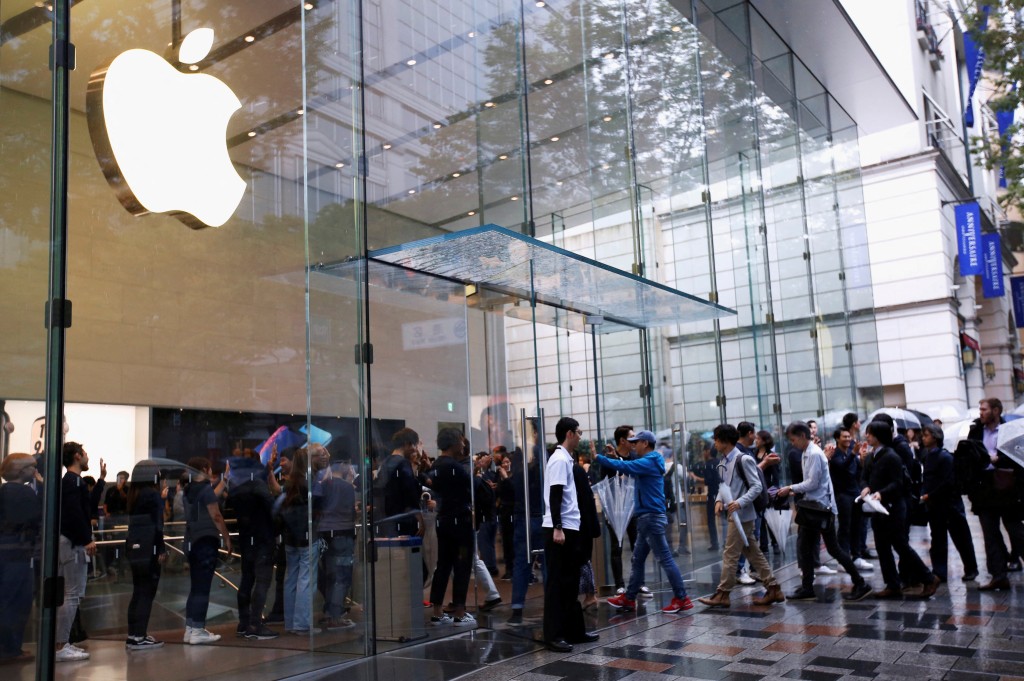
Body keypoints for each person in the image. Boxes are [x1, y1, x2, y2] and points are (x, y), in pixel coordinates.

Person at [599, 430, 694, 614]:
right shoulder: (649, 461)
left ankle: (681, 598)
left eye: (636, 442)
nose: (633, 445)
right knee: (637, 559)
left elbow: (628, 467)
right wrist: (614, 457)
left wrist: (600, 458)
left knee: (665, 558)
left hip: (650, 517)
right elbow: (629, 465)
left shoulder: (649, 460)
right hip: (647, 517)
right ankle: (629, 598)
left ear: (645, 443)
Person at [777, 422, 871, 602]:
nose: (792, 443)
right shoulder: (807, 452)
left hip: (820, 508)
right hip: (815, 506)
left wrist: (790, 487)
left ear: (803, 436)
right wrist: (792, 489)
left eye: (793, 439)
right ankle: (808, 587)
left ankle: (859, 583)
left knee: (831, 548)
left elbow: (812, 483)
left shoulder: (813, 453)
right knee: (807, 547)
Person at [697, 425, 784, 608]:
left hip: (743, 515)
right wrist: (719, 501)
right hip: (735, 514)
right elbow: (724, 485)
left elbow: (757, 487)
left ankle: (723, 593)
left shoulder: (743, 459)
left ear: (723, 441)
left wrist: (740, 502)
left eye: (716, 439)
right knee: (752, 550)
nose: (714, 443)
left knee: (730, 553)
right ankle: (773, 587)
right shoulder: (725, 460)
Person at [859, 421, 939, 599]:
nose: (867, 436)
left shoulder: (891, 456)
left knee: (900, 545)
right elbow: (864, 478)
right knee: (882, 547)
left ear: (879, 435)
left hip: (894, 508)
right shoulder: (872, 456)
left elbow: (898, 483)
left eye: (870, 433)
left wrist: (881, 493)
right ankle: (892, 584)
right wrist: (865, 488)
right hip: (877, 508)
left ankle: (928, 578)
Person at [542, 417, 597, 653]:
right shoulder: (557, 460)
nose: (580, 436)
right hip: (560, 529)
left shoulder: (566, 459)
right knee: (557, 584)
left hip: (570, 527)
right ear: (569, 434)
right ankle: (554, 635)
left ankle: (574, 630)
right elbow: (555, 495)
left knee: (570, 583)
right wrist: (557, 526)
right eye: (579, 432)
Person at [965, 398, 1024, 591]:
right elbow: (969, 455)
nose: (980, 412)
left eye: (984, 409)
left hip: (1007, 486)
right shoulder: (975, 431)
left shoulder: (1010, 430)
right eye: (980, 409)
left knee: (1016, 532)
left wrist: (999, 459)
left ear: (996, 411)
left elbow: (1018, 457)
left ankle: (1013, 562)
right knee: (990, 535)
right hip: (984, 488)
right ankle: (998, 576)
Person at [228, 447, 282, 639]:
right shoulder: (257, 485)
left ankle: (244, 623)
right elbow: (272, 508)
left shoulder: (236, 486)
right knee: (262, 581)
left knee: (246, 579)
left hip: (245, 537)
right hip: (262, 537)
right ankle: (255, 624)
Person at [55, 442, 102, 662]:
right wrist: (86, 540)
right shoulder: (72, 482)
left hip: (70, 542)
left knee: (69, 594)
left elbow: (85, 507)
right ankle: (61, 644)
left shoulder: (73, 482)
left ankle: (62, 642)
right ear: (76, 456)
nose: (87, 457)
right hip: (73, 544)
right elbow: (75, 513)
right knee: (72, 594)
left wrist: (101, 480)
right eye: (84, 453)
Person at [427, 428, 476, 626]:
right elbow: (471, 490)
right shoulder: (456, 468)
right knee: (462, 565)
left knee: (443, 565)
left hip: (443, 521)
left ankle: (437, 610)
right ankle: (459, 611)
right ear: (455, 442)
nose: (464, 445)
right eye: (462, 441)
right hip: (461, 524)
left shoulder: (435, 465)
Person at [183, 457, 232, 644]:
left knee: (195, 587)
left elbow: (210, 495)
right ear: (205, 469)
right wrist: (226, 537)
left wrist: (224, 479)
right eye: (210, 468)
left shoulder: (189, 490)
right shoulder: (204, 489)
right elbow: (216, 515)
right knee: (203, 587)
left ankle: (190, 628)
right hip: (206, 541)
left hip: (192, 540)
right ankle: (198, 630)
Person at [920, 424, 978, 583]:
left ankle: (971, 568)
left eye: (926, 435)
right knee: (938, 539)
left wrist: (929, 495)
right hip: (935, 505)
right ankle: (939, 572)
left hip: (950, 505)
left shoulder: (944, 457)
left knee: (961, 538)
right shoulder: (928, 456)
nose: (923, 438)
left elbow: (948, 482)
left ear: (935, 437)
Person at [0, 453, 42, 663]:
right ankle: (11, 648)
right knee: (18, 602)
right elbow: (39, 518)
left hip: (6, 553)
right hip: (19, 555)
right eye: (32, 467)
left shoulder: (4, 492)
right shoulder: (26, 494)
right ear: (22, 470)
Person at [276, 448, 321, 634]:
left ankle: (290, 622)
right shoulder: (310, 483)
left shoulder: (289, 484)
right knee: (306, 580)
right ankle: (302, 623)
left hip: (290, 537)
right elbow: (318, 507)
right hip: (307, 536)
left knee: (291, 579)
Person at [124, 462, 167, 650]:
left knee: (138, 591)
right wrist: (161, 548)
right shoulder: (153, 495)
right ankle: (140, 636)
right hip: (149, 547)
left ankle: (134, 634)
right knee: (146, 592)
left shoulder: (134, 495)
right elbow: (158, 525)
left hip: (134, 546)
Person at [314, 453, 358, 630]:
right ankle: (335, 615)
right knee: (342, 576)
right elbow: (351, 512)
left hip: (324, 533)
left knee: (330, 574)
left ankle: (329, 612)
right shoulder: (347, 487)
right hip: (343, 532)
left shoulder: (323, 485)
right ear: (344, 465)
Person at [827, 427, 871, 573]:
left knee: (856, 526)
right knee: (845, 527)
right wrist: (854, 454)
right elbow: (841, 467)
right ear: (837, 439)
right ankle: (843, 559)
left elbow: (858, 471)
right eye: (844, 437)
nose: (848, 439)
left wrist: (863, 460)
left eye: (849, 437)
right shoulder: (835, 454)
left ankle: (856, 556)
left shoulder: (852, 453)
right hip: (842, 495)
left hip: (855, 494)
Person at [689, 445, 723, 551]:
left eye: (704, 451)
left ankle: (715, 543)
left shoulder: (708, 465)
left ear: (708, 452)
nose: (703, 454)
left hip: (713, 494)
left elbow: (708, 481)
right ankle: (726, 541)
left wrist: (695, 477)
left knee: (711, 520)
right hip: (723, 493)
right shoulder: (720, 462)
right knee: (725, 519)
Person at [755, 431, 780, 553]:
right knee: (760, 519)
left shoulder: (771, 455)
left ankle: (775, 542)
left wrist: (773, 492)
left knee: (769, 518)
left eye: (758, 439)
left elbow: (776, 477)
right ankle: (763, 545)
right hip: (757, 490)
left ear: (764, 440)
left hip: (768, 490)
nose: (756, 441)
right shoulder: (753, 454)